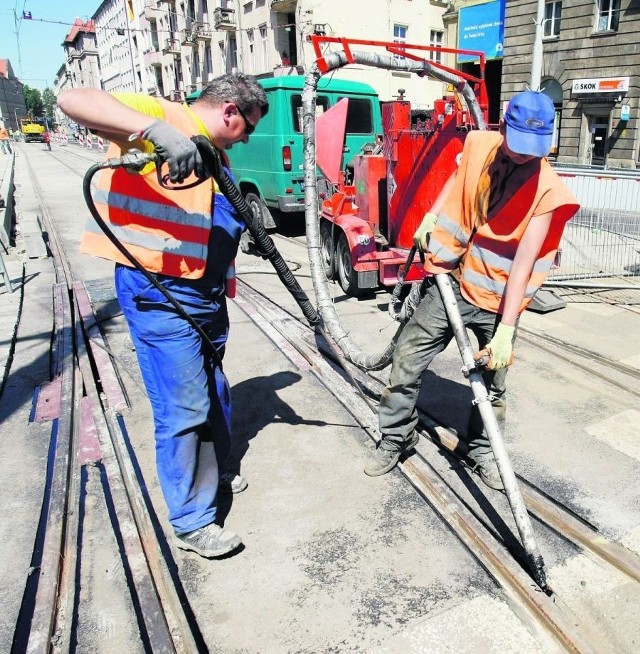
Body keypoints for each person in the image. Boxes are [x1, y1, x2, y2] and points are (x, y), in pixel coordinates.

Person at [57, 73, 269, 558]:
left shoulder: (218, 159)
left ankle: (213, 473)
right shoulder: (164, 118)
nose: (248, 138)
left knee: (214, 391)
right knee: (184, 406)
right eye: (248, 128)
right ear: (231, 111)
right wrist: (153, 132)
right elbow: (73, 99)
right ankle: (192, 521)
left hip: (205, 298)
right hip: (159, 292)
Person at [364, 90, 579, 490]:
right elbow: (457, 180)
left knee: (493, 389)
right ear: (504, 128)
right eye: (516, 146)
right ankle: (395, 436)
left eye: (532, 150)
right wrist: (433, 214)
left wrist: (506, 331)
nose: (521, 156)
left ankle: (480, 449)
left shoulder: (549, 192)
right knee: (406, 362)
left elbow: (523, 265)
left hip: (499, 303)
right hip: (453, 284)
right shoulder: (480, 145)